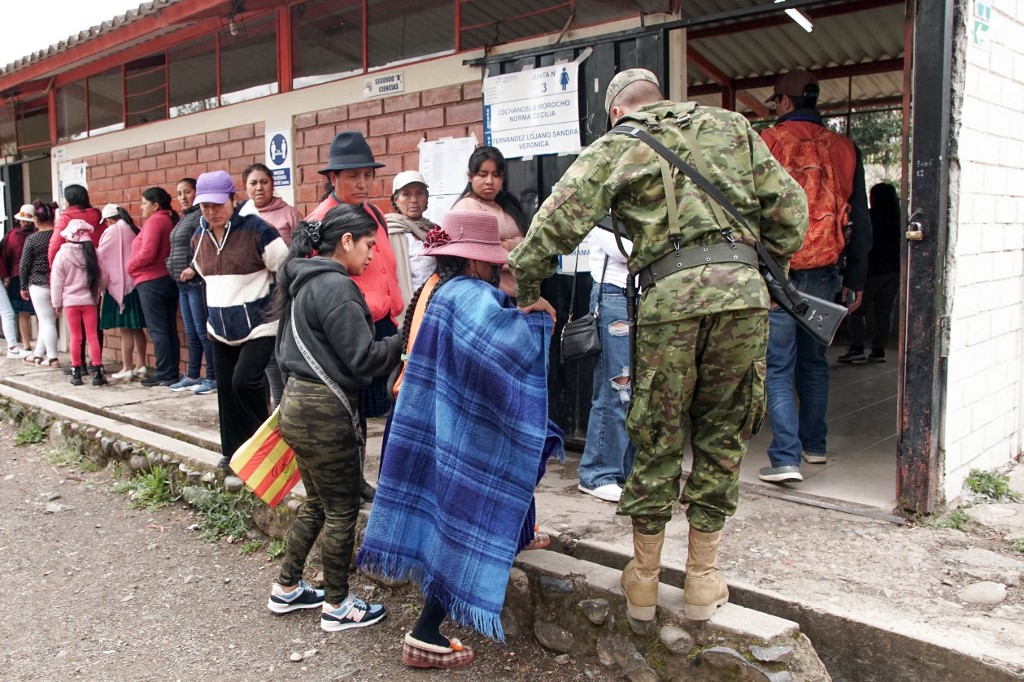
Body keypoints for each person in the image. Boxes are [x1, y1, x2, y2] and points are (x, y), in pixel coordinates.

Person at [508, 69, 807, 624]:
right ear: (660, 100)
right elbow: (790, 210)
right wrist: (771, 275)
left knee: (656, 433)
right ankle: (702, 580)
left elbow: (553, 224)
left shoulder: (618, 144)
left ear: (616, 112)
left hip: (669, 301)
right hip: (742, 298)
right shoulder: (733, 126)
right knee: (723, 431)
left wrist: (529, 289)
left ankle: (643, 582)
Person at [359, 210, 558, 669]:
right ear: (476, 261)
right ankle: (425, 633)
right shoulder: (471, 297)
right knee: (470, 515)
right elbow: (507, 350)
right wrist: (537, 320)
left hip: (440, 423)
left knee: (458, 515)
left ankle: (515, 538)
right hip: (468, 435)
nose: (496, 267)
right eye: (493, 261)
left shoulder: (444, 291)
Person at [268, 204, 402, 633]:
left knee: (318, 503)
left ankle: (287, 587)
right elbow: (364, 360)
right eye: (368, 245)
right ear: (346, 241)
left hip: (295, 405)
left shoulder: (302, 281)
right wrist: (405, 340)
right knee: (342, 509)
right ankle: (338, 605)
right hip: (326, 412)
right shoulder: (337, 287)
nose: (371, 255)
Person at [757, 68, 871, 482]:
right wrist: (855, 278)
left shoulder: (767, 142)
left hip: (777, 275)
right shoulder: (843, 147)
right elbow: (859, 218)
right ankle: (815, 447)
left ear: (784, 102)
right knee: (815, 365)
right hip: (825, 272)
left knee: (778, 367)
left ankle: (785, 458)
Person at [305, 131, 403, 502]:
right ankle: (350, 482)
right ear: (332, 178)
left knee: (380, 405)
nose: (362, 184)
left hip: (382, 324)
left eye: (367, 175)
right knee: (350, 410)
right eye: (352, 176)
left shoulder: (375, 213)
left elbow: (387, 270)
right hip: (347, 327)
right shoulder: (321, 223)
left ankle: (373, 477)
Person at [191, 170, 288, 471]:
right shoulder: (198, 237)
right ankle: (232, 452)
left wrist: (276, 307)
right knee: (225, 389)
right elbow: (203, 273)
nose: (211, 211)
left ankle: (262, 450)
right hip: (219, 326)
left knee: (244, 382)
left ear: (234, 200)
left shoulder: (259, 231)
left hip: (260, 323)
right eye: (205, 206)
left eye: (218, 204)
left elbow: (284, 268)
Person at [577, 223, 636, 503]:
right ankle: (598, 473)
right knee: (616, 389)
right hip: (614, 295)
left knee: (637, 392)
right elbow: (625, 251)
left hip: (645, 295)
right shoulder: (607, 209)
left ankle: (627, 472)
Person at [244, 162, 303, 406]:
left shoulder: (289, 213)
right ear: (245, 187)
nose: (259, 187)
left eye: (264, 182)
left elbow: (301, 252)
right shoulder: (242, 217)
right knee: (259, 354)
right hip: (253, 293)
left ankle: (281, 406)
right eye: (253, 183)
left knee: (279, 351)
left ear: (273, 184)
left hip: (282, 292)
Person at [451, 145, 530, 297]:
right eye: (483, 174)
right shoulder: (465, 209)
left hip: (521, 293)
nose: (489, 181)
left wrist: (505, 245)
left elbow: (531, 244)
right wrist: (516, 246)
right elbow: (479, 257)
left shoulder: (510, 205)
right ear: (470, 176)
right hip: (486, 295)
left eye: (496, 174)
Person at [838, 182, 900, 364]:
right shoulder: (899, 218)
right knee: (884, 312)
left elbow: (859, 244)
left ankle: (857, 347)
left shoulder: (869, 218)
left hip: (872, 271)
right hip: (894, 271)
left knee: (855, 310)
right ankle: (878, 350)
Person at [165, 178, 216, 394]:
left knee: (203, 332)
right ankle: (193, 374)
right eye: (179, 193)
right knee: (191, 332)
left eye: (187, 192)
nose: (183, 197)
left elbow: (206, 245)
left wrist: (194, 267)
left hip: (196, 282)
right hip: (181, 284)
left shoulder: (201, 218)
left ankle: (212, 377)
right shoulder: (183, 219)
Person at [50, 184, 105, 374]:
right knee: (94, 333)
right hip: (91, 282)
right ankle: (97, 365)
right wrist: (99, 289)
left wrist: (56, 267)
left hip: (71, 295)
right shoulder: (97, 216)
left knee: (76, 336)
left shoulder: (66, 219)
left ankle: (77, 365)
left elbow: (54, 245)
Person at [98, 205, 149, 382]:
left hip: (119, 286)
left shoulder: (112, 230)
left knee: (125, 329)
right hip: (136, 284)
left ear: (108, 220)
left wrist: (100, 284)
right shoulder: (135, 228)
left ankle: (127, 367)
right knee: (137, 328)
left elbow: (102, 258)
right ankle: (141, 365)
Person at [385, 170, 436, 321]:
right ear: (396, 200)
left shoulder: (434, 231)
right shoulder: (388, 232)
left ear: (426, 198)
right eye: (406, 194)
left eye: (419, 193)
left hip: (433, 306)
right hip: (406, 311)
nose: (413, 200)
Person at [18, 201, 60, 367]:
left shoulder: (32, 239)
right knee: (48, 320)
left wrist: (23, 286)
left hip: (38, 284)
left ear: (36, 219)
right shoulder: (59, 236)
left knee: (46, 321)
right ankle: (38, 353)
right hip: (57, 283)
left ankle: (53, 357)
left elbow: (24, 264)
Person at [1, 204, 38, 352]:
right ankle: (43, 344)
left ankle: (26, 344)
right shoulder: (39, 234)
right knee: (40, 313)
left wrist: (6, 275)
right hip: (36, 277)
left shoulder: (12, 235)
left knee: (22, 313)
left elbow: (5, 256)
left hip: (17, 276)